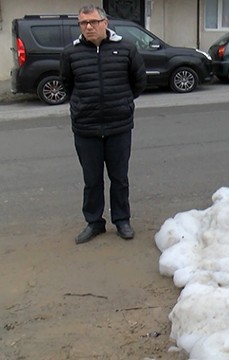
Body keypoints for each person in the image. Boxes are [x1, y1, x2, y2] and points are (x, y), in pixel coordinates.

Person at [60, 4, 147, 244]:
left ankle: (122, 220)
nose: (88, 27)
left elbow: (138, 82)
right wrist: (82, 106)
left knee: (119, 177)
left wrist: (122, 101)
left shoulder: (126, 49)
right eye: (83, 23)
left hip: (118, 125)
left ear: (105, 23)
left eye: (93, 22)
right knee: (92, 180)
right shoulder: (71, 53)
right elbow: (67, 85)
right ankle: (94, 222)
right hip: (86, 128)